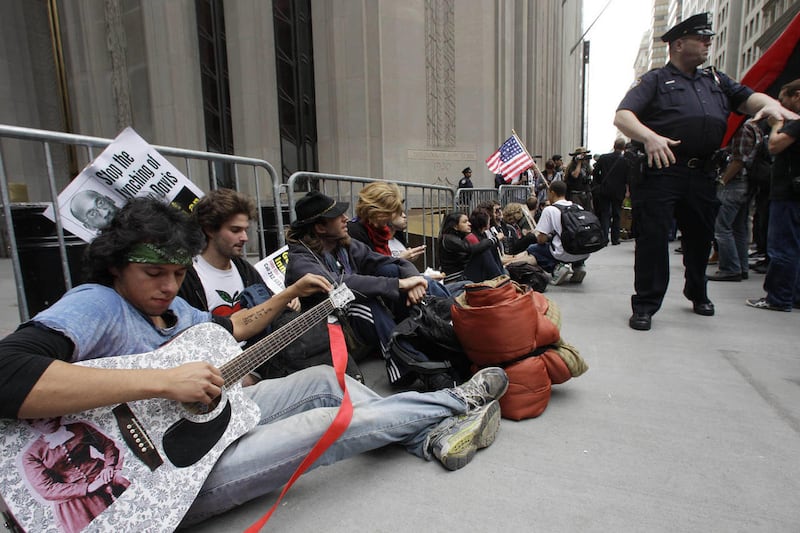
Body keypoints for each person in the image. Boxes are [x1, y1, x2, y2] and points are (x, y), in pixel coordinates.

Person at [0, 198, 509, 528]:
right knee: (322, 424)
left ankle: (424, 432)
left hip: (209, 424)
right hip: (165, 482)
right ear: (115, 263)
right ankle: (450, 404)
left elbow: (228, 331)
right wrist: (162, 381)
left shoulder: (171, 306)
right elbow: (9, 374)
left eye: (178, 274)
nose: (169, 288)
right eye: (154, 273)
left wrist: (289, 292)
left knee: (321, 382)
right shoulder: (97, 303)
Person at [613, 12, 798, 331]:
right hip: (662, 169)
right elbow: (623, 116)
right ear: (679, 44)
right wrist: (650, 137)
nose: (708, 43)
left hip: (702, 171)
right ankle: (646, 303)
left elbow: (749, 99)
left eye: (709, 38)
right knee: (653, 238)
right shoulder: (656, 80)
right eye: (701, 39)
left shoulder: (715, 80)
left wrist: (770, 106)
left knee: (700, 238)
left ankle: (697, 290)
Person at [284, 190, 459, 390]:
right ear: (320, 227)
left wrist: (414, 280)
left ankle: (442, 344)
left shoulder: (344, 245)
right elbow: (339, 284)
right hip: (332, 331)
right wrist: (399, 284)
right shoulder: (300, 260)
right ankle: (411, 369)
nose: (346, 218)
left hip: (358, 326)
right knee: (369, 303)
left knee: (394, 274)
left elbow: (391, 262)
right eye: (338, 216)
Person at [746, 79, 800, 311]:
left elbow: (775, 146)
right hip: (793, 192)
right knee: (793, 246)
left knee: (783, 246)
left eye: (783, 99)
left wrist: (777, 122)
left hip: (789, 193)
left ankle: (778, 297)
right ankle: (792, 295)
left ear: (796, 95)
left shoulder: (796, 123)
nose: (781, 104)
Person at [23, 417, 130, 533]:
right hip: (73, 499)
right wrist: (87, 488)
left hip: (103, 476)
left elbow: (108, 445)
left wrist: (108, 466)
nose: (48, 419)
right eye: (40, 419)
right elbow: (47, 489)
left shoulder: (79, 427)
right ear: (32, 424)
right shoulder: (31, 455)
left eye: (49, 413)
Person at [708, 120, 768, 281]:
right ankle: (741, 267)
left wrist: (722, 180)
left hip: (735, 183)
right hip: (746, 184)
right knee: (738, 228)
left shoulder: (742, 128)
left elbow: (739, 160)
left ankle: (730, 268)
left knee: (722, 228)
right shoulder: (755, 128)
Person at [526, 180, 589, 285]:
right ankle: (579, 266)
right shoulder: (578, 207)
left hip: (563, 252)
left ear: (552, 193)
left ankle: (557, 268)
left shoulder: (549, 210)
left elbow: (541, 239)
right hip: (584, 251)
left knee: (533, 249)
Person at [438, 212, 505, 284]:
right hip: (457, 277)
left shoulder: (457, 237)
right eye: (465, 222)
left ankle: (501, 278)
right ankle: (501, 281)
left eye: (468, 221)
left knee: (488, 247)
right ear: (455, 226)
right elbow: (472, 249)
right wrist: (495, 239)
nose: (469, 224)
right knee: (483, 250)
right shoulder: (449, 239)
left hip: (464, 273)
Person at [591, 139, 629, 245]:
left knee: (605, 213)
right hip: (618, 190)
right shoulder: (625, 160)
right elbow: (627, 176)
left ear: (614, 145)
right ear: (623, 148)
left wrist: (599, 183)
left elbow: (595, 172)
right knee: (617, 214)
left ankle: (604, 238)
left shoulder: (604, 158)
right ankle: (615, 238)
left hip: (605, 189)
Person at [564, 147, 593, 211]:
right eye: (583, 154)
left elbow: (592, 172)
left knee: (588, 211)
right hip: (575, 193)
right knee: (577, 211)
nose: (584, 156)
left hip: (586, 191)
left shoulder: (585, 164)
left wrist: (588, 162)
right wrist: (579, 162)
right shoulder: (572, 165)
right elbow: (575, 175)